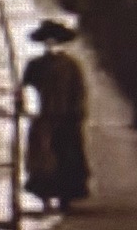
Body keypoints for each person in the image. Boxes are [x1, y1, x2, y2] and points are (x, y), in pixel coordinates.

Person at [21, 18, 90, 214]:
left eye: (54, 40)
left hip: (67, 118)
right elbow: (25, 89)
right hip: (44, 118)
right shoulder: (35, 65)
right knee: (43, 159)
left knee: (66, 157)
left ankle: (65, 199)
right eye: (47, 40)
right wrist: (26, 106)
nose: (51, 44)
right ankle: (45, 199)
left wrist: (78, 112)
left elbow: (79, 91)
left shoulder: (71, 65)